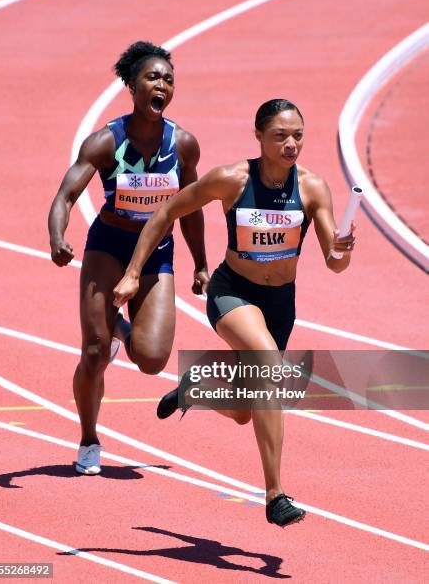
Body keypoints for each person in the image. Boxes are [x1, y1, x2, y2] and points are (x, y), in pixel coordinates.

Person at [112, 98, 356, 527]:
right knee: (269, 370)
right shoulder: (231, 180)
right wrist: (133, 273)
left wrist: (342, 249)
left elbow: (334, 264)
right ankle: (275, 495)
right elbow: (167, 211)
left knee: (246, 409)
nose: (291, 143)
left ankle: (197, 389)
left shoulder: (313, 188)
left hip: (281, 305)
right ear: (258, 136)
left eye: (298, 134)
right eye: (280, 135)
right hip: (232, 294)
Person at [48, 41, 209, 475]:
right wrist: (57, 236)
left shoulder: (184, 144)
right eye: (153, 77)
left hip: (157, 253)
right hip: (109, 248)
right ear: (132, 86)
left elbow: (190, 209)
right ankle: (88, 440)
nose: (163, 85)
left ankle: (120, 326)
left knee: (153, 360)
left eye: (169, 79)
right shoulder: (105, 142)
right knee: (95, 352)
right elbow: (65, 196)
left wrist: (200, 263)